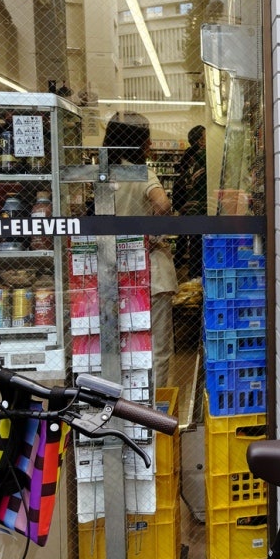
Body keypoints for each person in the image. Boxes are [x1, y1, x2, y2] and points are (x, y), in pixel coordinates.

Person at [102, 112, 178, 388]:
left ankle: (125, 404)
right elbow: (163, 205)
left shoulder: (104, 175)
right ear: (139, 142)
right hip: (150, 272)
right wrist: (151, 235)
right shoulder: (141, 173)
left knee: (122, 344)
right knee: (157, 347)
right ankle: (154, 410)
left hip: (115, 270)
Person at [173, 124, 207, 279]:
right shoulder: (202, 157)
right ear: (200, 140)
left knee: (194, 247)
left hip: (189, 208)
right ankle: (198, 280)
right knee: (199, 248)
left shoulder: (187, 157)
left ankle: (194, 279)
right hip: (200, 208)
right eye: (206, 136)